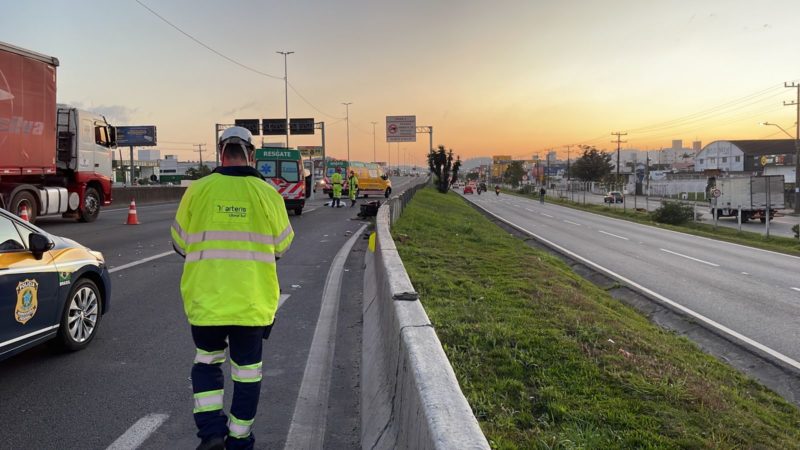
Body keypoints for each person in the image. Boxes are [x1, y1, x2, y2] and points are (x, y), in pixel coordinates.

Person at [171, 126, 294, 450]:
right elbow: (283, 245)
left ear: (221, 153)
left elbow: (179, 242)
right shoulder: (267, 193)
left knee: (207, 362)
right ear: (251, 155)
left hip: (206, 301)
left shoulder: (198, 190)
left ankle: (212, 433)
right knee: (247, 374)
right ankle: (240, 439)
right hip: (251, 304)